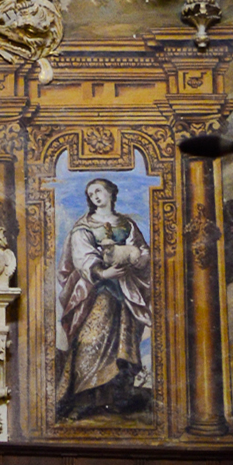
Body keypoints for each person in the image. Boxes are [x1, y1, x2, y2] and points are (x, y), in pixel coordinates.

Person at [56, 177, 152, 420]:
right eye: (91, 194)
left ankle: (117, 399)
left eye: (99, 191)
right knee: (90, 341)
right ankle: (84, 398)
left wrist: (141, 257)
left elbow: (141, 248)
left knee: (125, 344)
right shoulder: (84, 226)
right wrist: (102, 272)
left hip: (127, 291)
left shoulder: (127, 224)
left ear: (110, 192)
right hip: (97, 291)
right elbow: (81, 256)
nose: (95, 196)